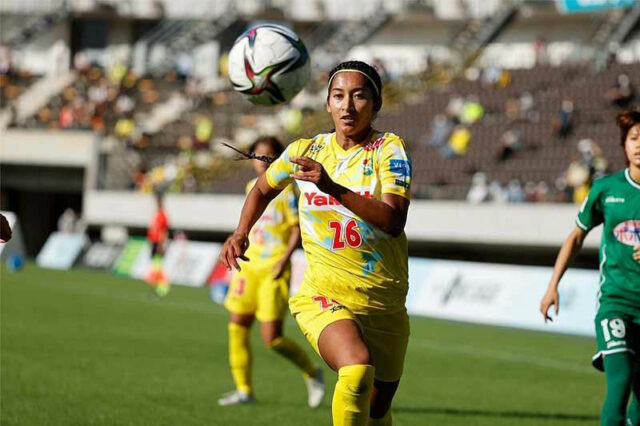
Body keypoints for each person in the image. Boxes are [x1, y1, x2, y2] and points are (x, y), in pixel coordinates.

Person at [220, 60, 412, 426]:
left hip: (383, 302)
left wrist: (332, 187)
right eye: (338, 96)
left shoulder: (389, 149)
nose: (347, 105)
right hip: (324, 295)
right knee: (356, 367)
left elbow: (392, 221)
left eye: (359, 96)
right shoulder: (305, 151)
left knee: (377, 412)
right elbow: (262, 189)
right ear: (327, 104)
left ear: (376, 104)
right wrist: (241, 231)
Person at [540, 109, 640, 426]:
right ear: (624, 145)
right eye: (634, 138)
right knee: (620, 380)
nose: (639, 144)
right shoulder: (606, 189)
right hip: (616, 302)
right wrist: (552, 286)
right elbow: (575, 238)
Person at [218, 136, 325, 408]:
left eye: (268, 155)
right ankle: (244, 390)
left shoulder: (288, 191)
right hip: (248, 266)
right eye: (258, 155)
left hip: (273, 269)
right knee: (237, 326)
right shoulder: (250, 188)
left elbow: (296, 229)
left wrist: (284, 260)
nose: (262, 161)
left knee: (272, 339)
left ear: (278, 158)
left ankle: (311, 372)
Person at [146, 192, 170, 297]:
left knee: (158, 267)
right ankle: (158, 289)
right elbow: (153, 230)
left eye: (158, 201)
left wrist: (161, 244)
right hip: (154, 242)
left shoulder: (162, 215)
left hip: (158, 243)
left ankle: (162, 289)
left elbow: (164, 231)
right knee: (155, 267)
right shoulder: (156, 214)